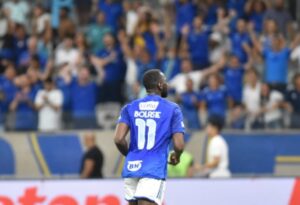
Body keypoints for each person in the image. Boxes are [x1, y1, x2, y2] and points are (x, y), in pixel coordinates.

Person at [114, 69, 185, 205]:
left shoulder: (130, 107)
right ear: (159, 85)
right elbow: (179, 145)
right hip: (153, 167)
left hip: (132, 166)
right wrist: (177, 155)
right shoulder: (172, 109)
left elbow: (118, 139)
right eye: (165, 81)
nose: (167, 85)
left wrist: (129, 154)